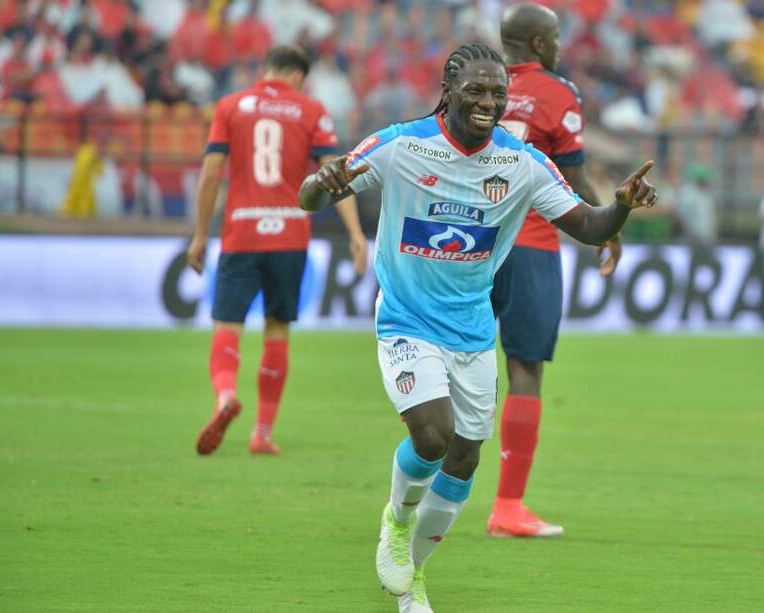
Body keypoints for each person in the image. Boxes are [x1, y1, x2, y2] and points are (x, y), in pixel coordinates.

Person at [298, 42, 656, 612]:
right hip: (407, 320)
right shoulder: (401, 145)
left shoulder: (521, 162)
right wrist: (325, 181)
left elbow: (588, 226)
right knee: (432, 437)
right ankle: (397, 520)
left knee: (465, 459)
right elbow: (310, 196)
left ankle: (412, 574)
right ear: (448, 89)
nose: (489, 102)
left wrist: (620, 208)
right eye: (476, 91)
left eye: (498, 93)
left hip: (471, 329)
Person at [189, 45, 367, 456]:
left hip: (242, 232)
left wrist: (200, 235)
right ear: (299, 77)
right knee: (276, 330)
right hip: (289, 235)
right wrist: (356, 234)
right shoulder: (310, 110)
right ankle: (262, 433)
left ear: (265, 69)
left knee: (227, 325)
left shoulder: (231, 105)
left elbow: (212, 171)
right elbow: (335, 176)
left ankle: (225, 396)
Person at [486, 2, 622, 539]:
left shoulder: (477, 85)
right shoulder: (558, 93)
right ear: (541, 45)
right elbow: (573, 180)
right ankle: (508, 507)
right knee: (524, 368)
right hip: (531, 243)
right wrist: (610, 224)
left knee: (454, 362)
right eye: (557, 37)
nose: (561, 46)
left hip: (468, 241)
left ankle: (425, 491)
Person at [676, 163, 717, 246]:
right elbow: (682, 217)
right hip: (691, 239)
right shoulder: (687, 193)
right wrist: (692, 233)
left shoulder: (706, 193)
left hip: (706, 238)